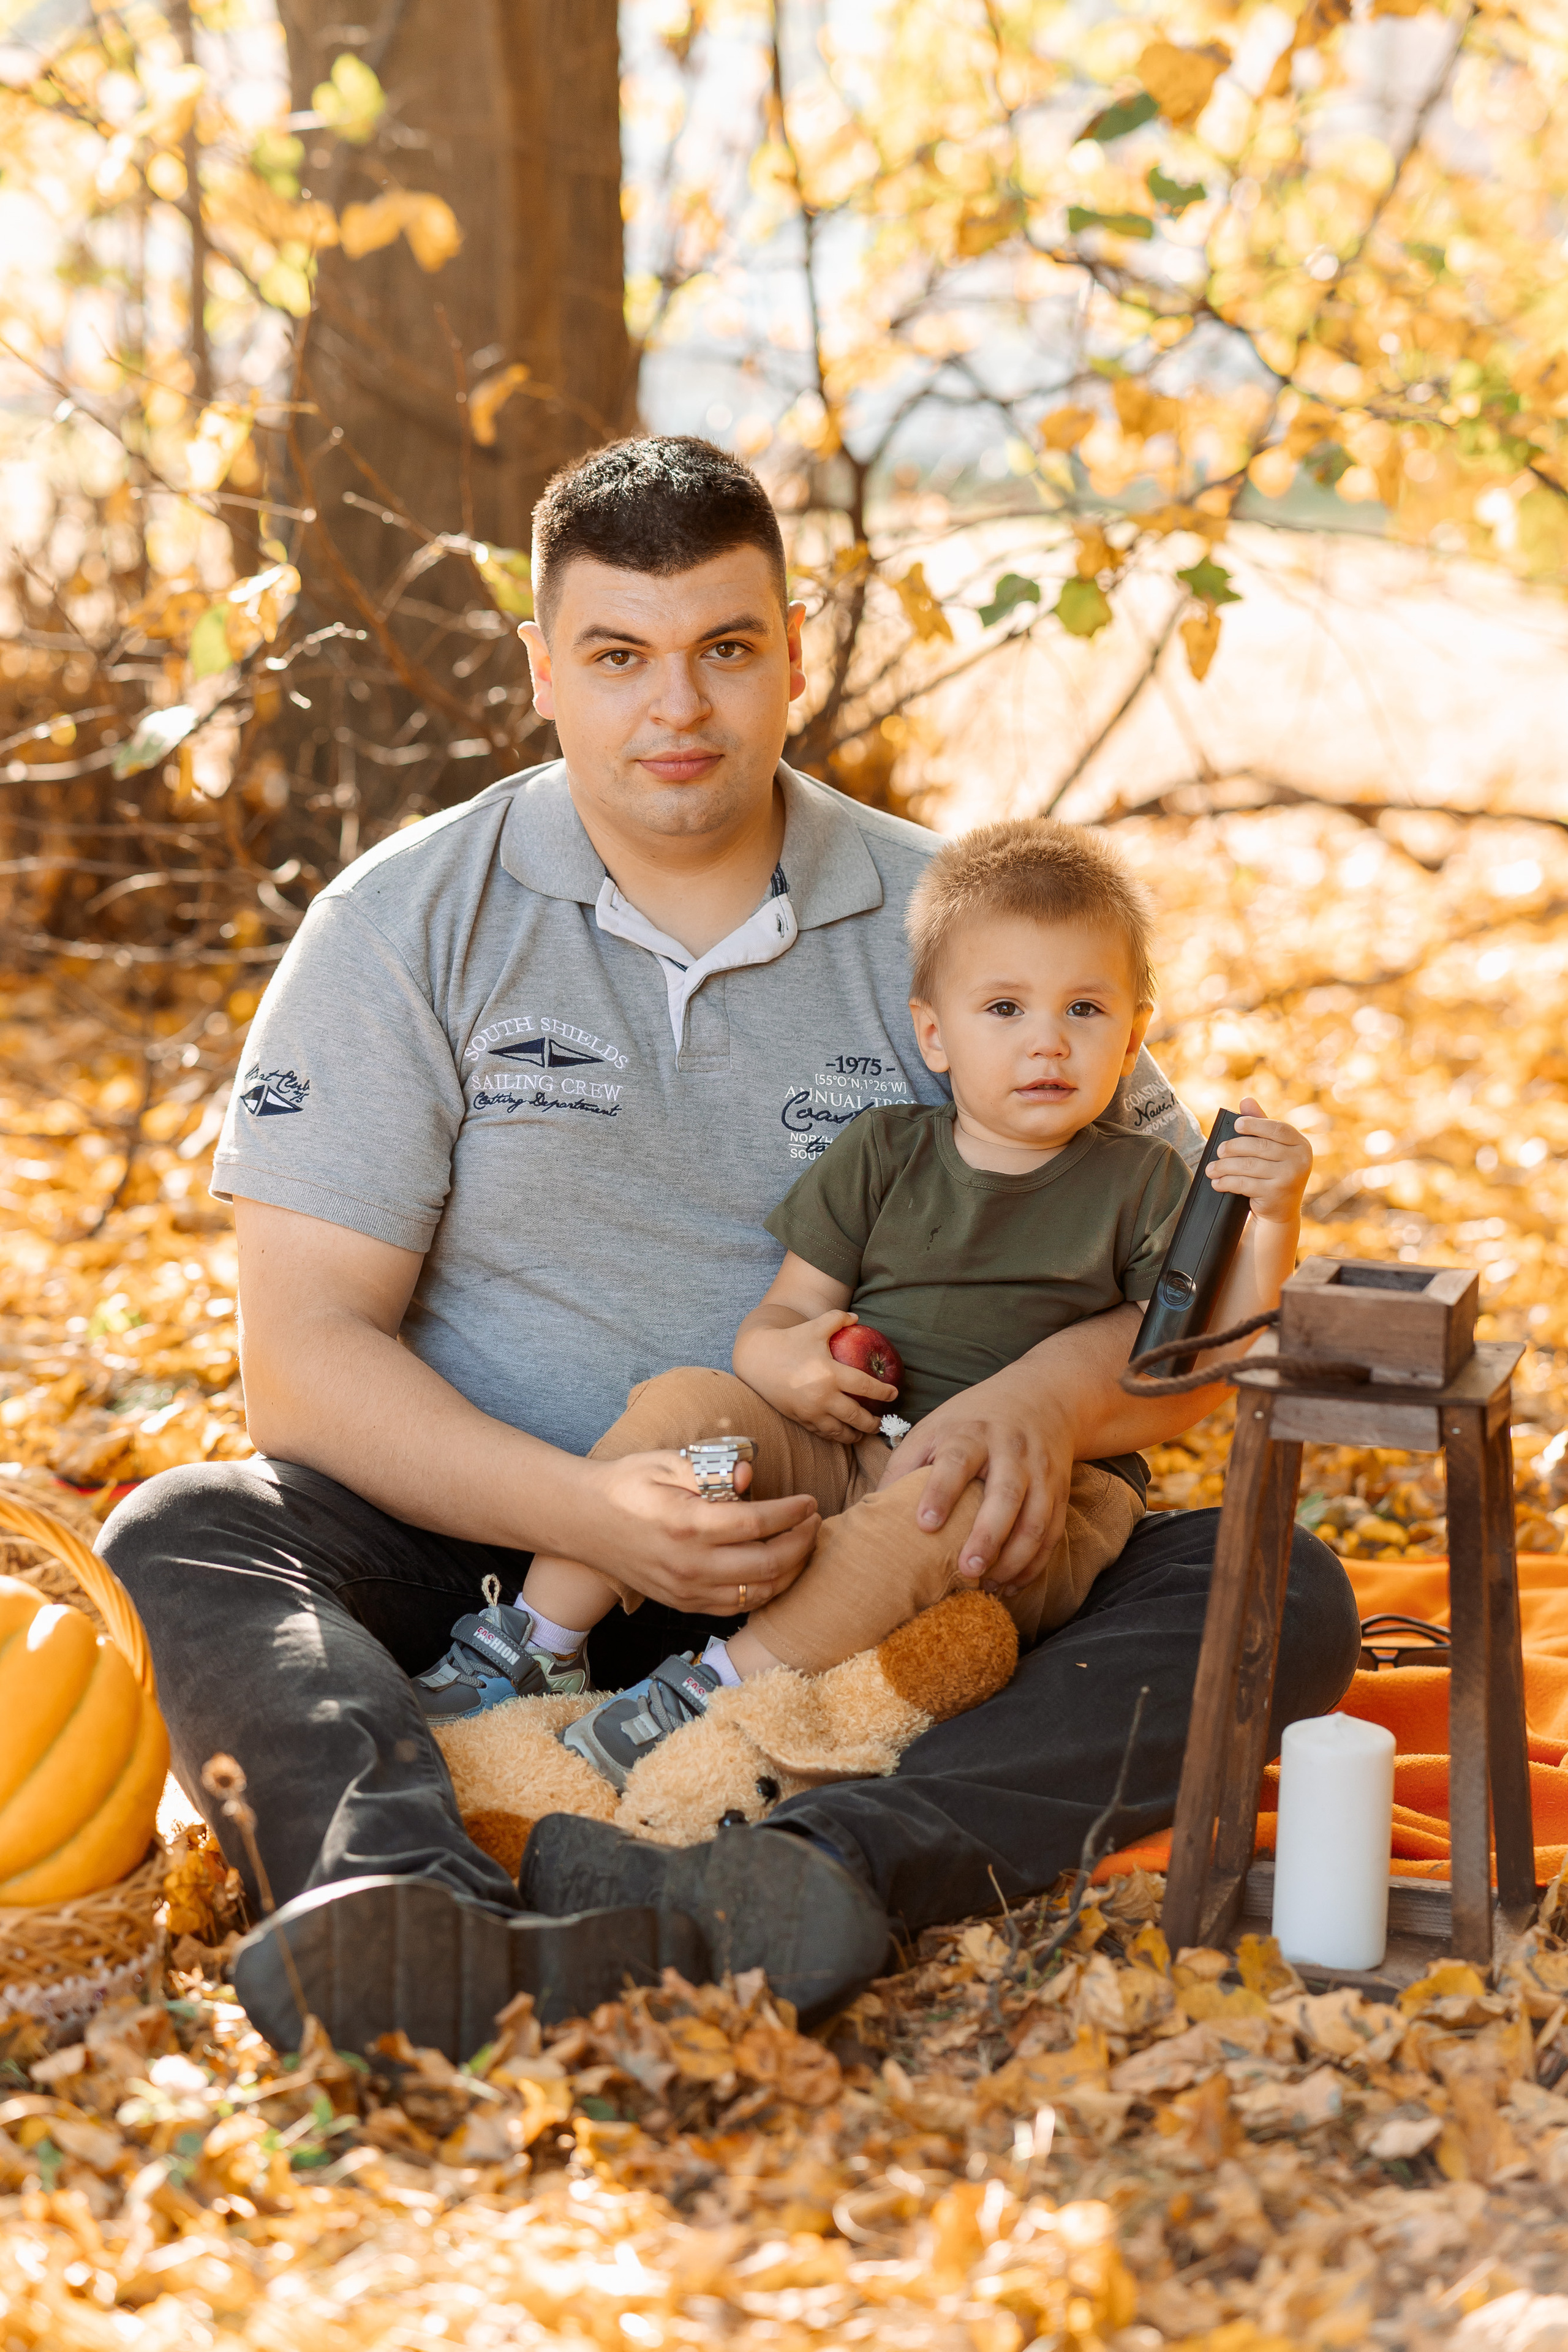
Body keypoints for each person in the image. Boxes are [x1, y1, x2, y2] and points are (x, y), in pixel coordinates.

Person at [99, 435, 1360, 2057]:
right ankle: (399, 1899)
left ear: (795, 656)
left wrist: (1047, 1400)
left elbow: (1185, 1299)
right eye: (619, 657)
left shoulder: (955, 924)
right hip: (497, 1562)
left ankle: (806, 1876)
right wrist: (585, 1512)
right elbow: (308, 1361)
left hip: (875, 1546)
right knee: (190, 1532)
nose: (676, 709)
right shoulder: (404, 926)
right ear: (545, 672)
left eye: (727, 649)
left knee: (1274, 1591)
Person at [484, 818, 1311, 1798]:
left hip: (1015, 1496)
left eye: (1084, 1010)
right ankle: (533, 1642)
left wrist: (1274, 1217)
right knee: (687, 1409)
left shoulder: (1143, 1182)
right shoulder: (885, 1153)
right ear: (934, 1034)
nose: (1046, 1040)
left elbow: (1202, 1358)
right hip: (843, 1447)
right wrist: (787, 1365)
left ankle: (714, 1691)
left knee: (925, 1513)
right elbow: (780, 1317)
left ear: (1134, 1036)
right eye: (1004, 1007)